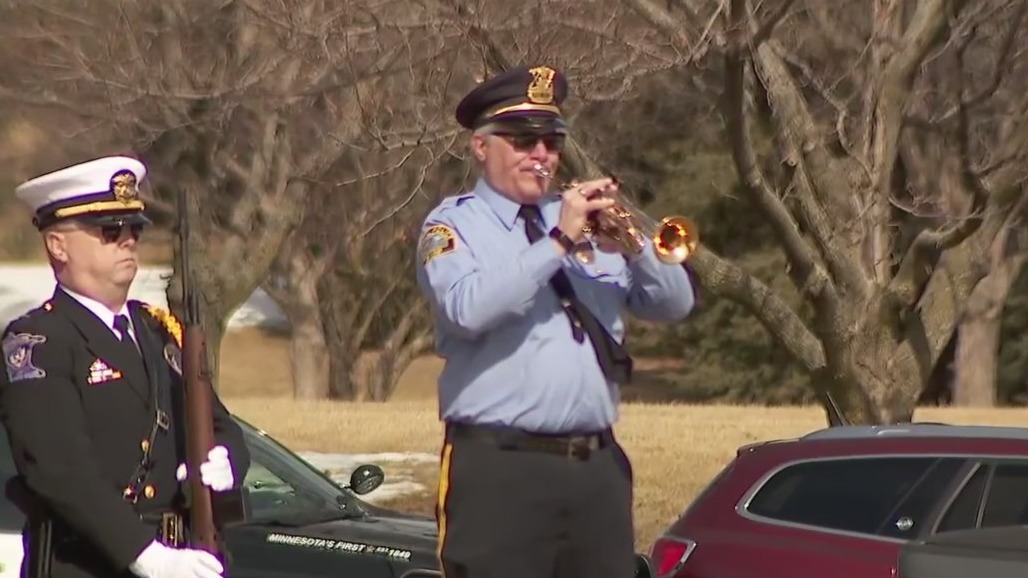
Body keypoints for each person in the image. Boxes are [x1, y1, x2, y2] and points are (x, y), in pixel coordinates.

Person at [415, 65, 696, 578]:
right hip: (501, 467)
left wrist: (634, 247)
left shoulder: (582, 219)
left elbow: (675, 304)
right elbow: (467, 309)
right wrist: (558, 243)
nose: (541, 155)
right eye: (523, 140)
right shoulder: (454, 224)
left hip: (595, 469)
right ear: (482, 147)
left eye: (551, 141)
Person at [0, 156, 251, 578]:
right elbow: (59, 470)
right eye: (109, 231)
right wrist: (146, 555)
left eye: (134, 229)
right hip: (88, 563)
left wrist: (226, 459)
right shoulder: (41, 342)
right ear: (57, 246)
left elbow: (219, 423)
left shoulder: (157, 332)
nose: (128, 241)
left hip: (186, 554)